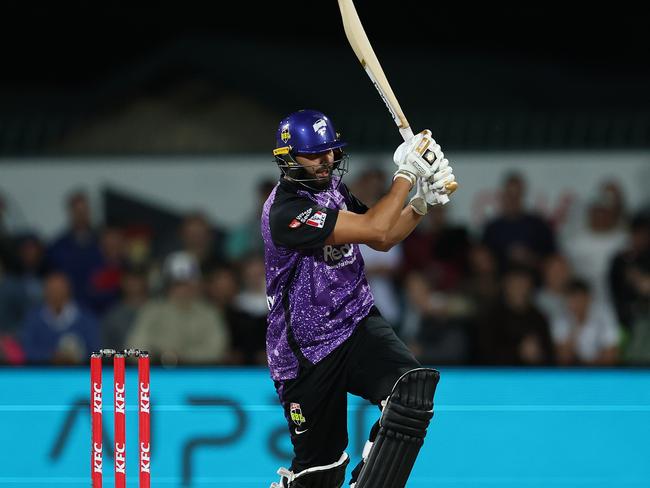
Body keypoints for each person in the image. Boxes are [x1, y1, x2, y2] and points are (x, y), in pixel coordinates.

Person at [263, 109, 456, 488]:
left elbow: (382, 239)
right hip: (306, 351)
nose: (326, 161)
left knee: (411, 391)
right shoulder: (286, 211)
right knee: (321, 473)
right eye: (315, 154)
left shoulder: (335, 190)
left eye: (331, 151)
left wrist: (421, 202)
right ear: (287, 158)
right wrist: (407, 173)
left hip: (355, 322)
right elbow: (374, 225)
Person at [126, 251, 230, 365]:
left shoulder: (209, 313)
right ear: (167, 285)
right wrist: (160, 356)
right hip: (158, 372)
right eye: (177, 283)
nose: (183, 289)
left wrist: (180, 357)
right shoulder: (152, 310)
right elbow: (135, 347)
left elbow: (216, 350)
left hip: (198, 375)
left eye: (187, 283)